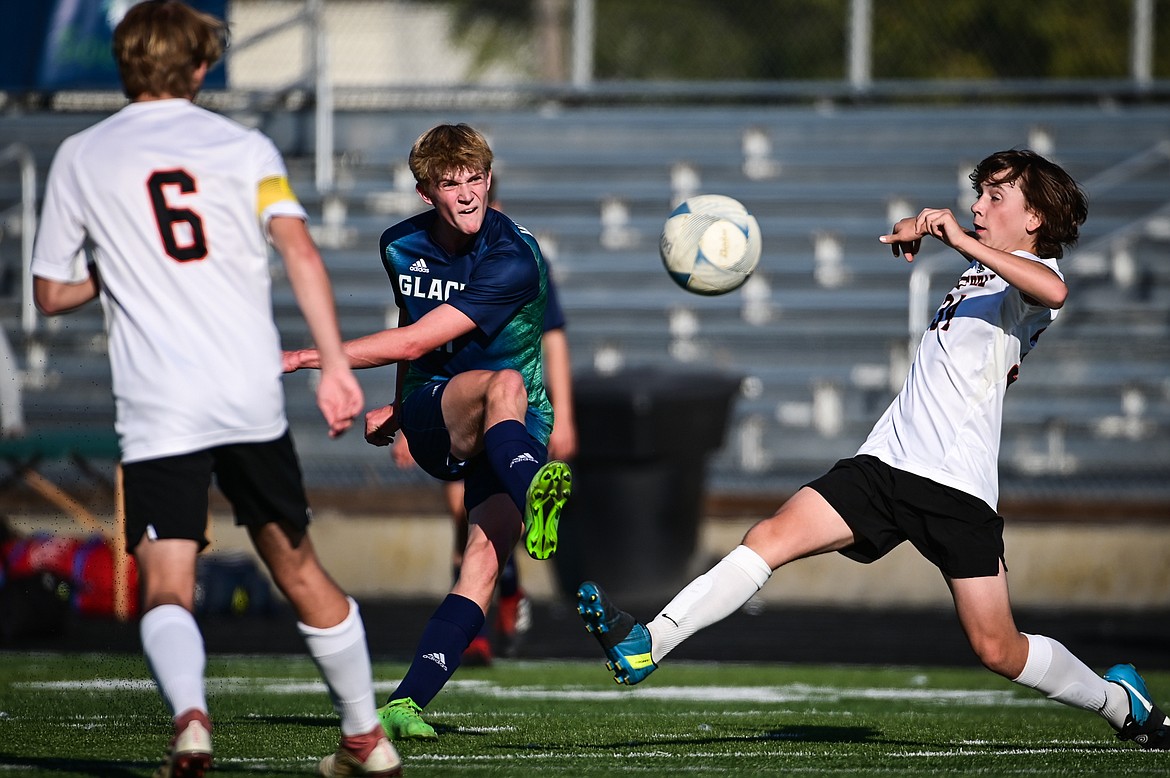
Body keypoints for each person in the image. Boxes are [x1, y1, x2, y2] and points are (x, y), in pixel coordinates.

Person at [577, 149, 1169, 750]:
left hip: (954, 486)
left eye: (996, 197)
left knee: (998, 648)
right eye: (980, 194)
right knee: (768, 537)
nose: (979, 207)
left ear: (1035, 217)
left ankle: (1120, 703)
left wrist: (957, 239)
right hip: (885, 464)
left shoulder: (1029, 276)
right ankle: (650, 642)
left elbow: (1053, 290)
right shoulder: (986, 269)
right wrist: (936, 235)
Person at [29, 3, 401, 776]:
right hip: (247, 394)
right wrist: (335, 367)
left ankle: (192, 718)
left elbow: (49, 293)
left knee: (167, 581)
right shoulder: (245, 147)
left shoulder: (79, 156)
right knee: (297, 566)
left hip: (161, 401)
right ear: (200, 69)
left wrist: (123, 265)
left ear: (125, 63)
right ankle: (366, 738)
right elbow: (299, 251)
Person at [284, 123, 573, 740]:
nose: (468, 194)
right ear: (425, 192)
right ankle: (537, 494)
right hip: (442, 409)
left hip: (516, 428)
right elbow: (413, 329)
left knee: (483, 562)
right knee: (503, 385)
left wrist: (324, 356)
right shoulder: (400, 246)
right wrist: (394, 404)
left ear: (490, 181)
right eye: (451, 183)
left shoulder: (515, 255)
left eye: (477, 179)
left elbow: (414, 335)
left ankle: (404, 703)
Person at [391, 183, 577, 666]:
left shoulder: (518, 257)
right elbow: (413, 334)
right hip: (458, 402)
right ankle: (483, 617)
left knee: (493, 527)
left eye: (480, 192)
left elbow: (551, 336)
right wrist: (406, 413)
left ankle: (502, 598)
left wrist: (565, 417)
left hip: (509, 403)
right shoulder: (428, 258)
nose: (470, 206)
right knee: (463, 513)